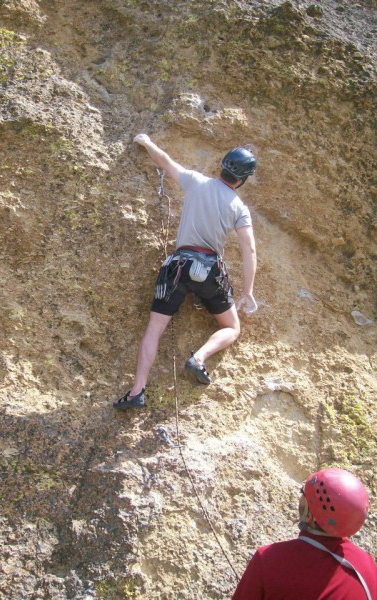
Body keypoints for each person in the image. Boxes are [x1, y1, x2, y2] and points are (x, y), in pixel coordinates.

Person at [113, 133, 258, 410]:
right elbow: (249, 250)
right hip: (209, 268)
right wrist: (248, 291)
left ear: (222, 166)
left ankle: (136, 392)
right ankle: (199, 358)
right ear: (243, 179)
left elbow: (165, 162)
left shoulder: (197, 182)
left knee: (154, 330)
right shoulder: (240, 208)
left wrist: (146, 142)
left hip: (178, 266)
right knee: (232, 327)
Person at [232, 467, 377, 600]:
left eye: (303, 493)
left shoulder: (269, 559)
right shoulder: (368, 567)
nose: (301, 497)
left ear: (310, 516)